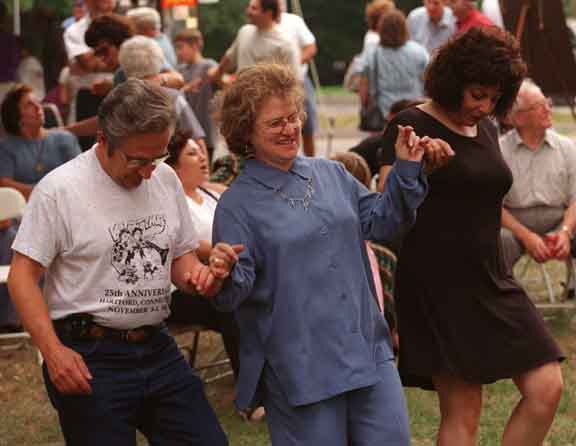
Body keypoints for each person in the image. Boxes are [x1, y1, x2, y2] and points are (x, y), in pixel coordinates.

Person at [207, 62, 431, 445]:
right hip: (300, 365)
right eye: (276, 122)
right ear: (245, 131)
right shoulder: (236, 205)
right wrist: (224, 270)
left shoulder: (332, 174)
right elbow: (233, 291)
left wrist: (407, 169)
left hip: (366, 346)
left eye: (294, 117)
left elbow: (382, 223)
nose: (291, 129)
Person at [7, 79, 229, 446]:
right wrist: (53, 352)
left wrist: (204, 277)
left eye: (156, 158)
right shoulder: (60, 190)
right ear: (103, 140)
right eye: (137, 160)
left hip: (157, 346)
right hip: (89, 355)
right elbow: (21, 277)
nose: (147, 172)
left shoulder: (165, 179)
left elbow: (181, 260)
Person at [379, 27, 564, 445]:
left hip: (493, 277)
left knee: (546, 386)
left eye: (495, 98)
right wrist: (417, 171)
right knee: (464, 411)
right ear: (453, 81)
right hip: (439, 283)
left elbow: (485, 198)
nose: (484, 106)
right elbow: (384, 210)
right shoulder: (411, 123)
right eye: (477, 94)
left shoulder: (484, 129)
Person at [164, 130, 240, 380]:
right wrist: (226, 251)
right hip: (184, 289)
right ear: (174, 167)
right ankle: (251, 394)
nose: (202, 157)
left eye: (201, 151)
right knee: (233, 301)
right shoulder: (170, 202)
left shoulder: (209, 194)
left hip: (224, 272)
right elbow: (194, 245)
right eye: (192, 153)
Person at [500, 79, 576, 287]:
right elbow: (493, 206)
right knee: (495, 242)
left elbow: (575, 198)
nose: (548, 109)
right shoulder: (499, 152)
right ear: (519, 118)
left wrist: (565, 232)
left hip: (559, 219)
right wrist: (526, 236)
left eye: (547, 102)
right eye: (539, 106)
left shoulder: (567, 147)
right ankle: (502, 300)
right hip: (514, 226)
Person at [118, 35, 207, 150]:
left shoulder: (119, 98)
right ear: (159, 61)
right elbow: (196, 140)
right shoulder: (172, 97)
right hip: (168, 162)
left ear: (123, 64)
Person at [0, 84, 81, 200]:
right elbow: (4, 185)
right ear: (17, 116)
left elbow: (80, 176)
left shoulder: (65, 139)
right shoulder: (5, 147)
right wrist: (45, 193)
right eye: (29, 105)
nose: (38, 107)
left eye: (37, 102)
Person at [359, 10, 429, 132]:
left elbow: (364, 86)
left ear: (381, 29)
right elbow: (428, 82)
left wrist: (364, 105)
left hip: (384, 114)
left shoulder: (372, 54)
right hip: (416, 111)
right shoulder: (420, 52)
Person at [210, 0, 301, 83]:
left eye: (254, 8)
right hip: (240, 96)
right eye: (249, 7)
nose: (248, 11)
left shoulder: (286, 43)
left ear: (268, 13)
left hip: (266, 99)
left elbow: (295, 80)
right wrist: (217, 74)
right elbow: (229, 58)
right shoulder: (244, 32)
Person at [278, 0, 318, 157]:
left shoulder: (294, 21)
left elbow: (311, 47)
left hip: (298, 79)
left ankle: (310, 163)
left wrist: (293, 64)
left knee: (306, 125)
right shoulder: (256, 26)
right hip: (270, 84)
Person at [174, 29, 219, 161]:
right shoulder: (179, 70)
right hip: (186, 133)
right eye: (176, 48)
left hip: (206, 130)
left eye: (181, 47)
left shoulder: (209, 66)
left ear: (195, 46)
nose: (178, 52)